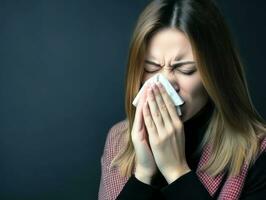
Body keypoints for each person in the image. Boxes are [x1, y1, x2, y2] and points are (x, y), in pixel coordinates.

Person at [98, 0, 266, 199]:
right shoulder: (118, 139)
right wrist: (142, 174)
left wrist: (176, 171)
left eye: (185, 69)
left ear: (216, 73)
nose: (166, 83)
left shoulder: (256, 151)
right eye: (151, 68)